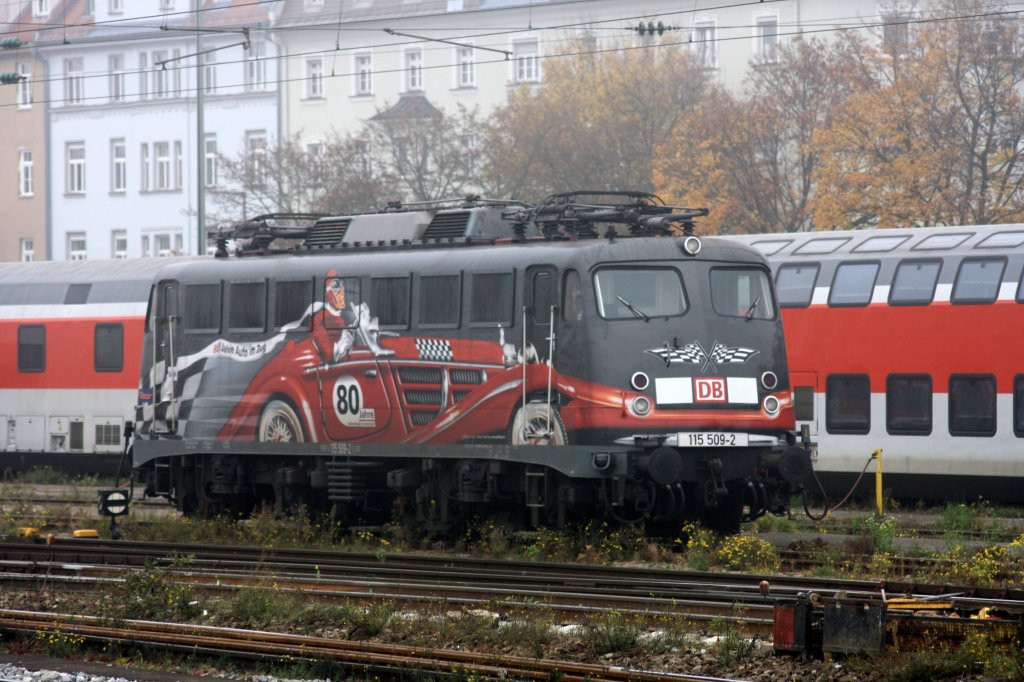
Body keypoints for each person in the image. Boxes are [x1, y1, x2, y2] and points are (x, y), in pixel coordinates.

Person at [312, 269, 357, 363]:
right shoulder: (318, 320)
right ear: (327, 293)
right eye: (336, 286)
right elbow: (328, 355)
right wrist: (342, 343)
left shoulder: (345, 318)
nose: (342, 292)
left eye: (342, 286)